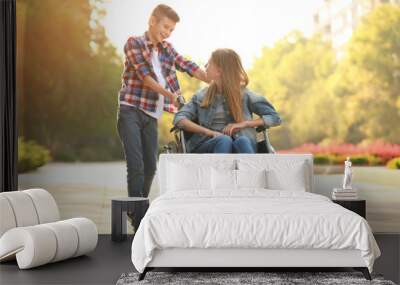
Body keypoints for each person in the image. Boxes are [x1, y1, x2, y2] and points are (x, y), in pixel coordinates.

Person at [117, 4, 208, 203]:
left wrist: (213, 80)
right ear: (152, 21)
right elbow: (145, 77)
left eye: (171, 30)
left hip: (151, 114)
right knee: (136, 165)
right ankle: (139, 214)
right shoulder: (134, 43)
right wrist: (170, 95)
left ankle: (136, 209)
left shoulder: (167, 49)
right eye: (165, 27)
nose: (167, 33)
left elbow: (187, 65)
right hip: (130, 109)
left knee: (150, 167)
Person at [173, 48, 281, 153]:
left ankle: (249, 170)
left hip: (241, 143)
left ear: (219, 71)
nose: (205, 66)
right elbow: (179, 119)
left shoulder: (246, 95)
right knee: (224, 140)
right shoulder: (201, 96)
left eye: (209, 63)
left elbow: (275, 117)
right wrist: (210, 133)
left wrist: (244, 124)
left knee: (242, 141)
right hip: (207, 144)